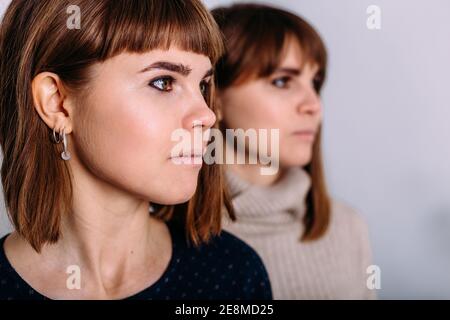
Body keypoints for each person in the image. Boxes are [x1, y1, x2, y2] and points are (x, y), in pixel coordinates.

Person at [0, 0, 272, 300]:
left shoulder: (232, 274)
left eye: (204, 85)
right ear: (57, 102)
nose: (207, 115)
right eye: (163, 82)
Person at [212, 3, 376, 299]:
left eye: (315, 82)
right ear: (215, 97)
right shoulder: (160, 240)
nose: (313, 104)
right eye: (282, 80)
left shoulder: (348, 227)